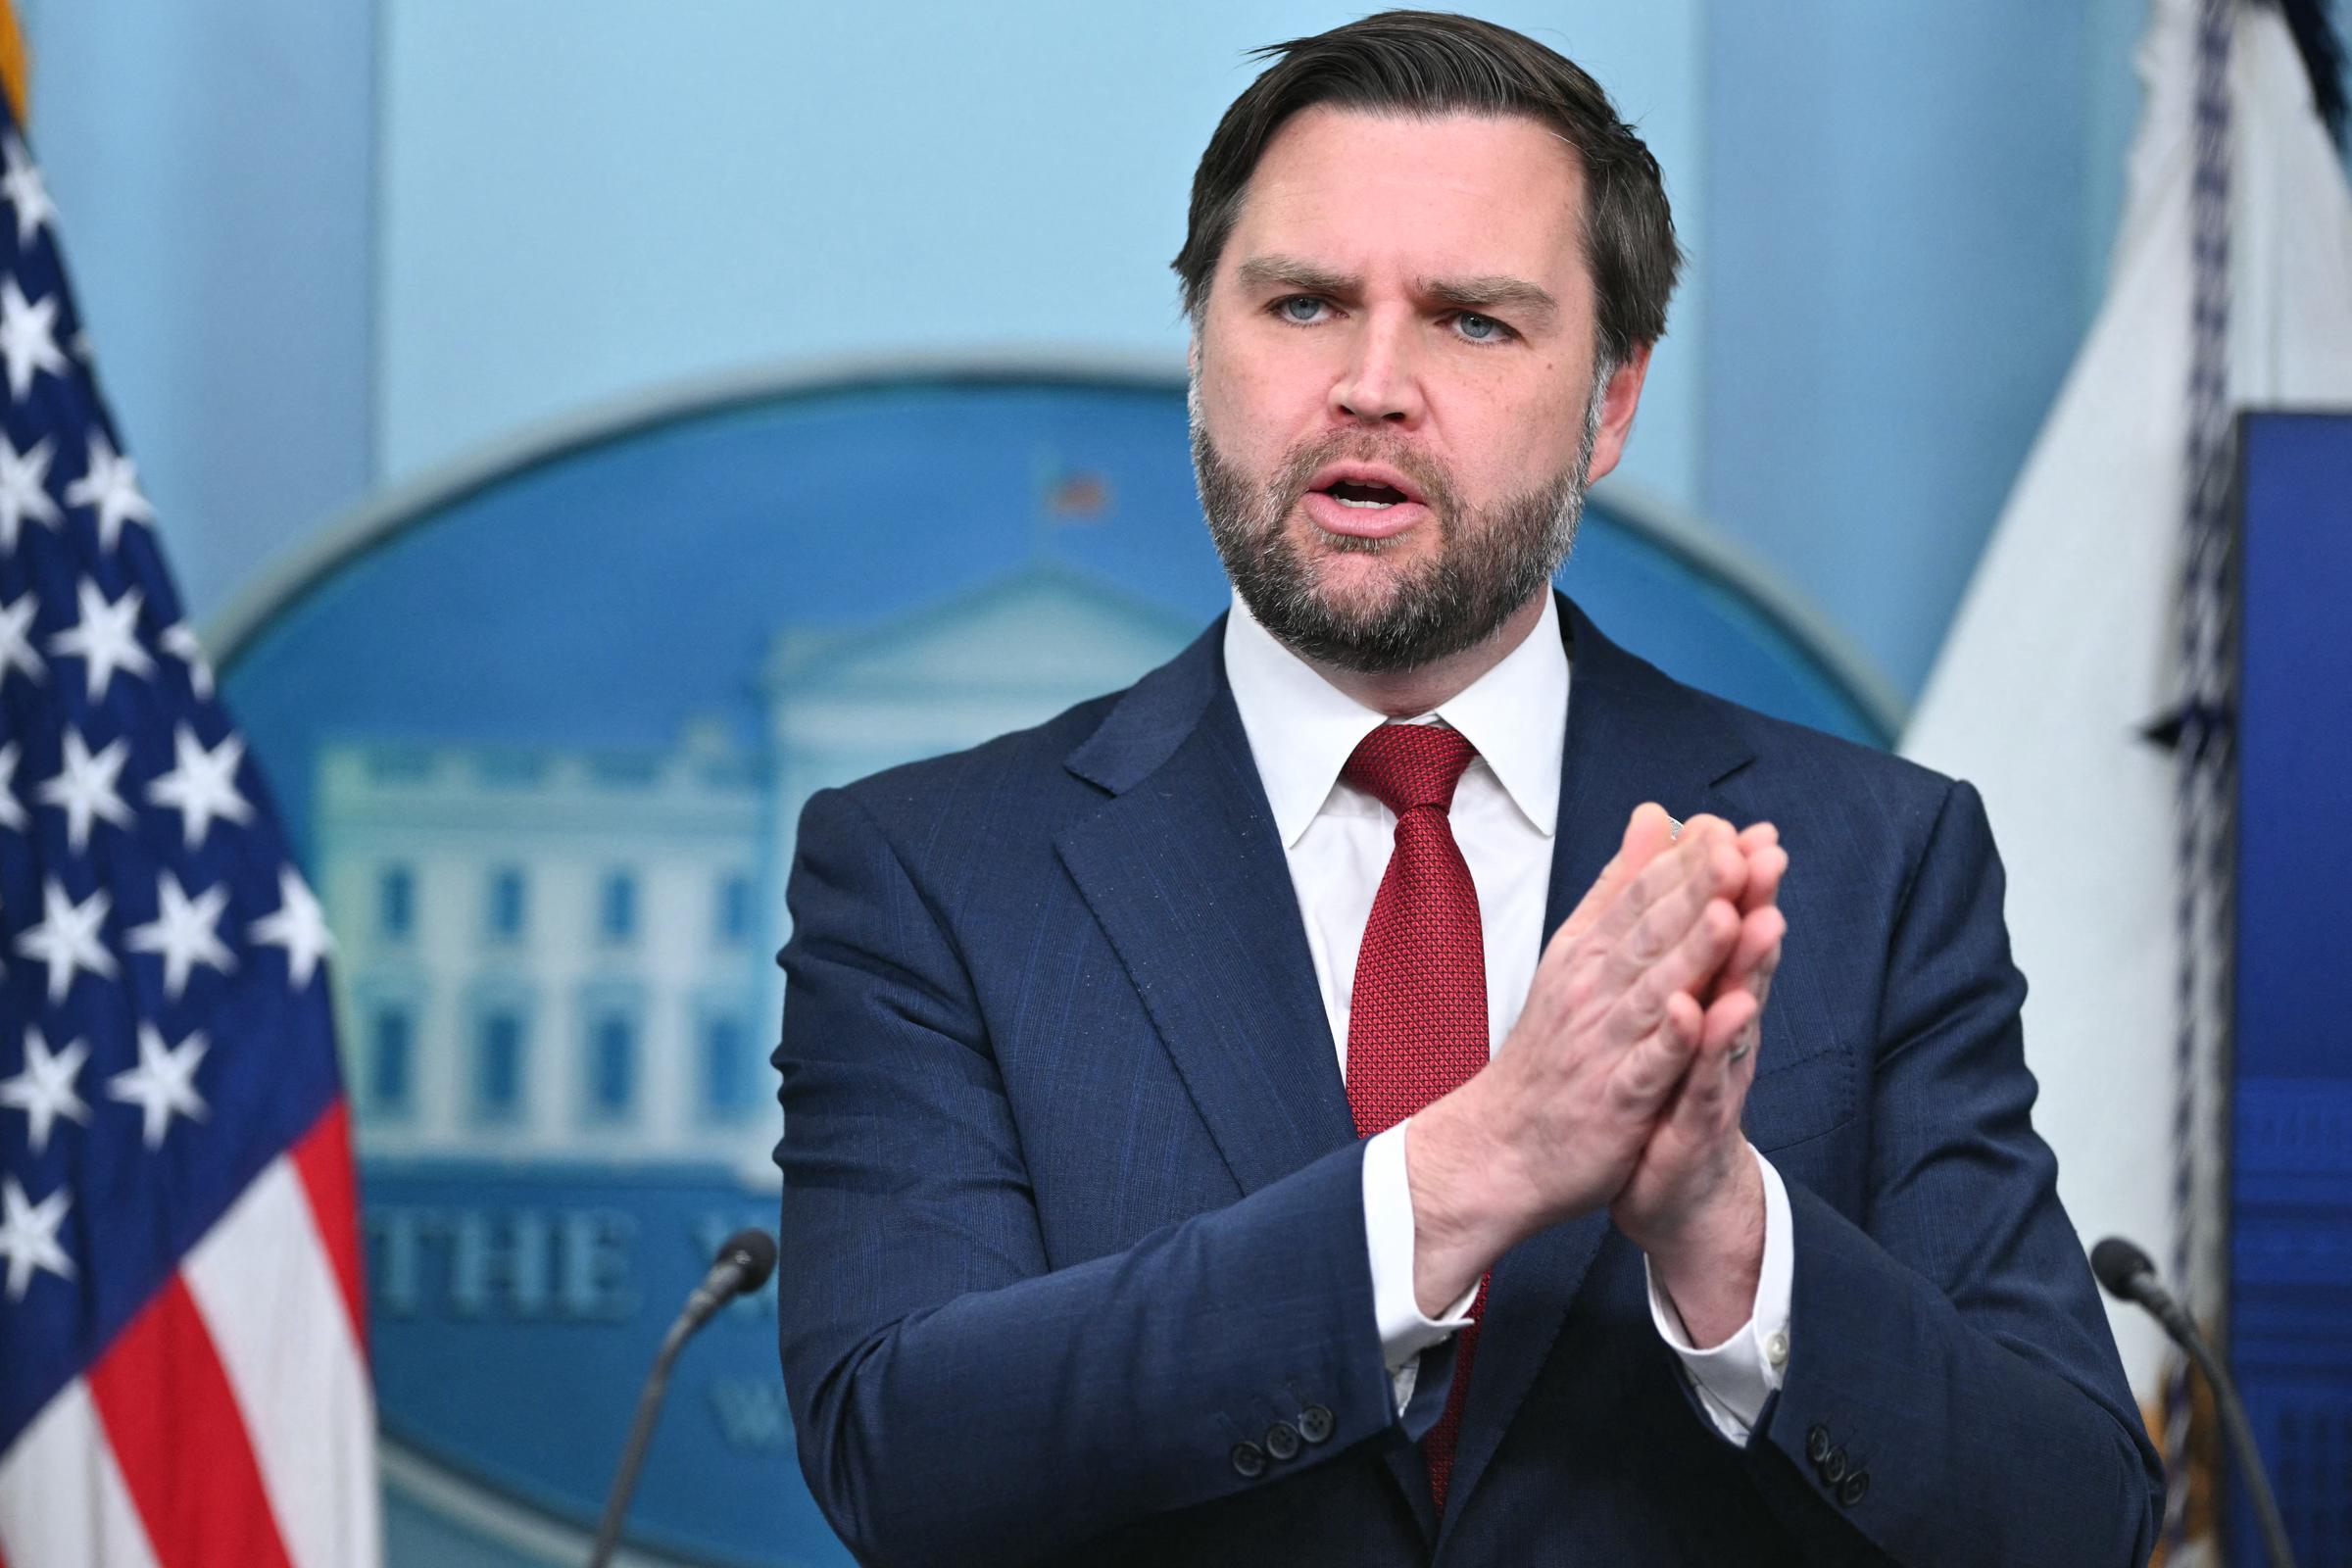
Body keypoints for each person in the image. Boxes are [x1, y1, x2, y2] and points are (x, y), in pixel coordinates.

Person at [772, 12, 2164, 1564]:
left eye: (1474, 322)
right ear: (1203, 354)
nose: (1371, 385)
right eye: (1303, 304)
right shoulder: (933, 871)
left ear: (1612, 402)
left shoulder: (1875, 859)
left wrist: (1725, 1231)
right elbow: (904, 1455)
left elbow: (2078, 1522)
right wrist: (1471, 1172)